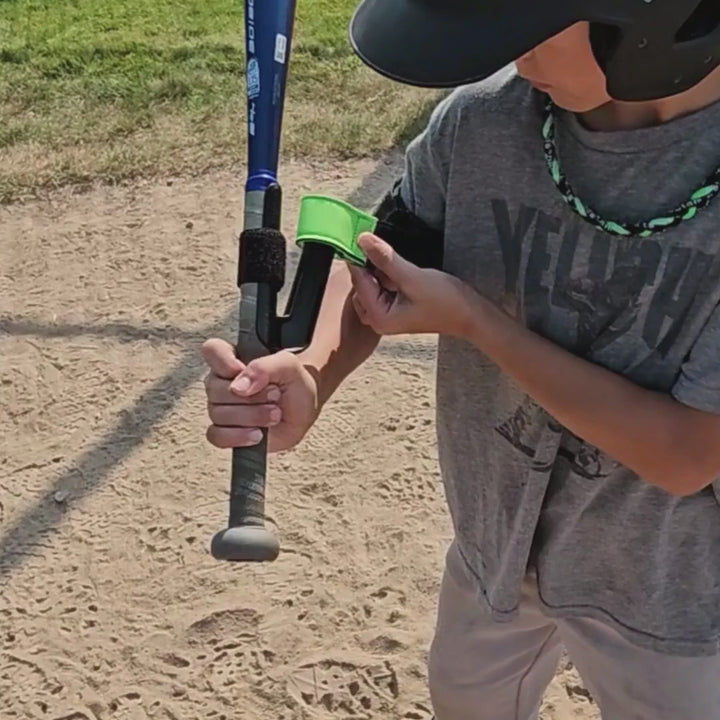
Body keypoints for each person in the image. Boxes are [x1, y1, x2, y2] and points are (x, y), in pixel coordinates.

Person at [202, 3, 720, 718]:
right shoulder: (483, 123)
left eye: (518, 35)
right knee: (465, 700)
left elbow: (686, 454)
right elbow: (388, 260)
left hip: (674, 596)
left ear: (648, 20)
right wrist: (313, 370)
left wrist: (479, 323)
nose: (499, 60)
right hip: (494, 551)